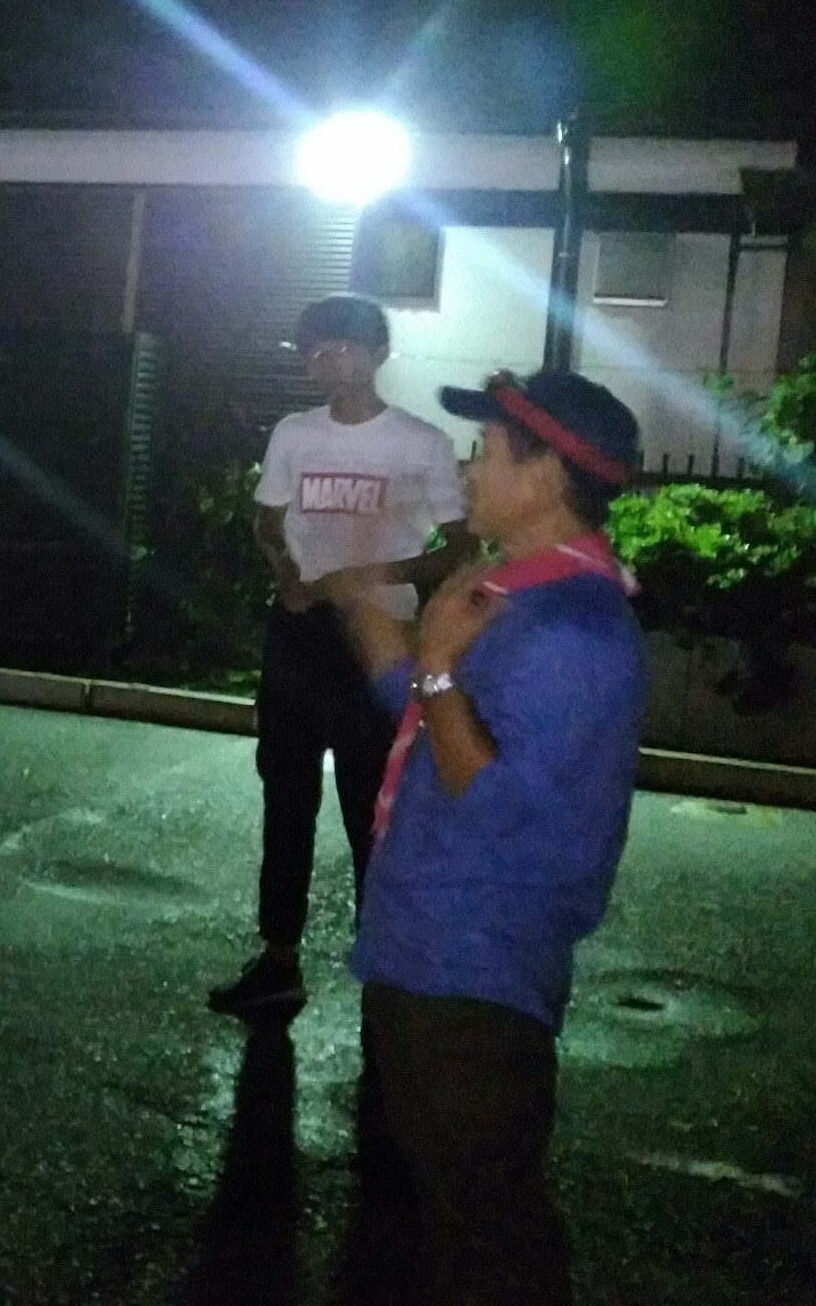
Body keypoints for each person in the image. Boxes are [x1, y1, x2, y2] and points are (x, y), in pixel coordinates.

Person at [322, 368, 646, 1306]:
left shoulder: (572, 628)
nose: (467, 468)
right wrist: (357, 598)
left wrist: (433, 664)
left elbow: (494, 795)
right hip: (429, 953)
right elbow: (424, 715)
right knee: (456, 1221)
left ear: (545, 474)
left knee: (492, 1236)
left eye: (486, 450)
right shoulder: (512, 595)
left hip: (472, 975)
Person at [210, 294, 474, 1017]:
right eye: (317, 351)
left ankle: (384, 972)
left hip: (378, 642)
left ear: (378, 354)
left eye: (344, 348)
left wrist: (371, 575)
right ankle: (278, 958)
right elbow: (268, 522)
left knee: (372, 805)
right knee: (286, 794)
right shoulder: (295, 434)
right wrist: (288, 575)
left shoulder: (420, 443)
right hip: (300, 633)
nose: (329, 362)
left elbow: (460, 548)